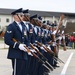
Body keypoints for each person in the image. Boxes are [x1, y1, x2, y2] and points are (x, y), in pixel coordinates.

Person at [4, 8, 29, 75]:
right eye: (21, 15)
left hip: (23, 53)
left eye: (23, 15)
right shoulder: (11, 26)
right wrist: (18, 45)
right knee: (17, 72)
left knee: (23, 72)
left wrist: (28, 47)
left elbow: (26, 39)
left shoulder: (24, 26)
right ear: (15, 16)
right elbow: (7, 40)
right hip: (16, 54)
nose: (23, 17)